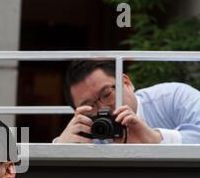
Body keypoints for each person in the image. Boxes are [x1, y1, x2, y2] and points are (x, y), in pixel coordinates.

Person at [54, 60, 200, 144]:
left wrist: (156, 139)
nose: (102, 108)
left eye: (106, 94)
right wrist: (61, 149)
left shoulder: (173, 97)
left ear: (126, 83)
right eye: (89, 105)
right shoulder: (87, 132)